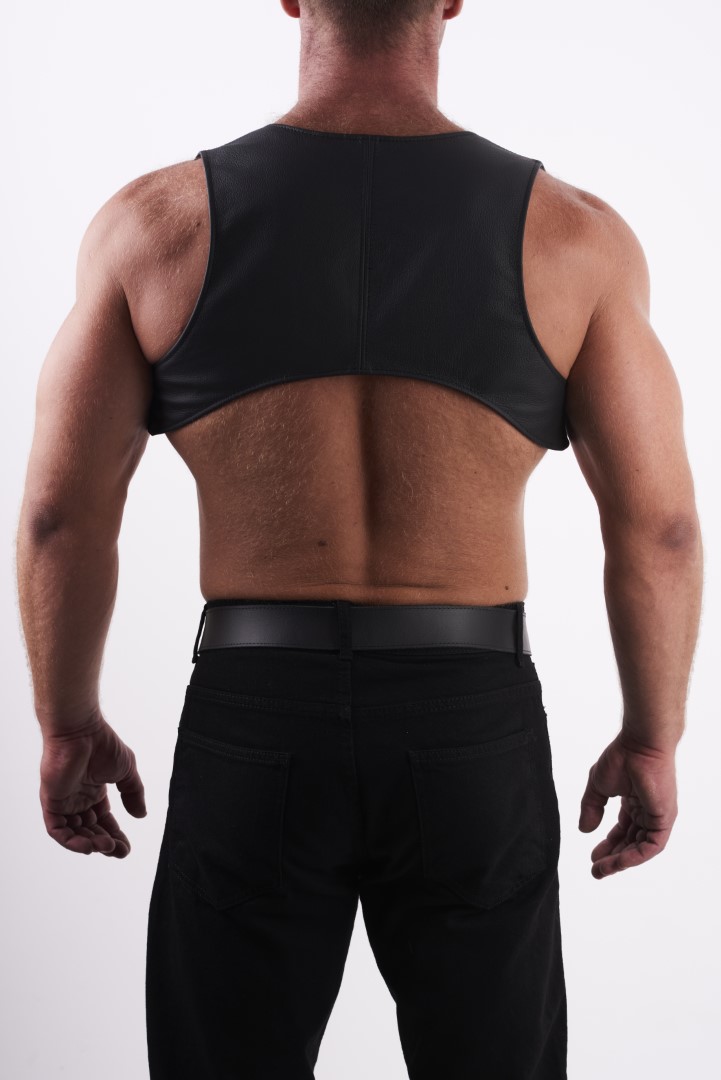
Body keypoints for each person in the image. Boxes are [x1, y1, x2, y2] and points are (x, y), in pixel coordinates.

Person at [15, 1, 703, 1077]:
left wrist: (66, 722)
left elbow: (61, 515)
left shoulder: (156, 225)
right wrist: (651, 738)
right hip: (468, 719)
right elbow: (658, 528)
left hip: (257, 713)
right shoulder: (573, 236)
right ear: (451, 0)